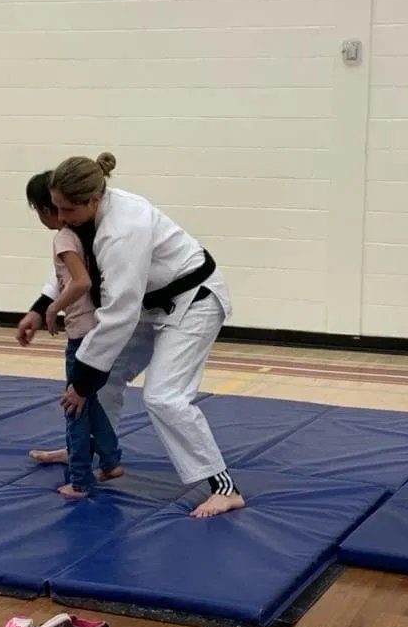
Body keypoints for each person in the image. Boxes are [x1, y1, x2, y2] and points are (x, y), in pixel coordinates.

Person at [17, 153, 244, 518]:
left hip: (194, 302)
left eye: (68, 211)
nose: (60, 220)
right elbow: (72, 269)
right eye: (55, 209)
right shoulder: (84, 217)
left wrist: (80, 380)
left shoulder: (124, 228)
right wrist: (38, 307)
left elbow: (119, 312)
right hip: (150, 305)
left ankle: (225, 487)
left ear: (94, 199)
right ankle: (85, 449)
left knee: (164, 396)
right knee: (102, 381)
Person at [25, 172, 122, 497]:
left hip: (83, 333)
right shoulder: (84, 232)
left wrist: (53, 309)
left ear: (46, 208)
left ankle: (80, 479)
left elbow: (81, 282)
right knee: (89, 400)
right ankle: (110, 460)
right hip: (95, 328)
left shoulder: (64, 238)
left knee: (74, 404)